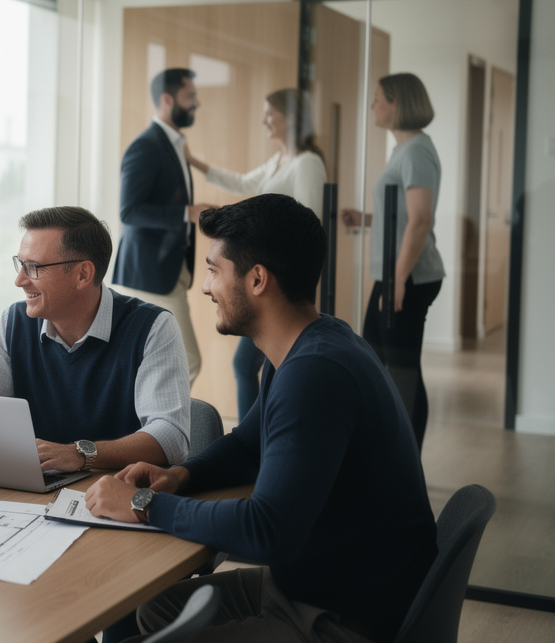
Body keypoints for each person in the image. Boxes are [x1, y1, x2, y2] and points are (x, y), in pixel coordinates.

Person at [85, 194, 436, 643]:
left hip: (342, 618)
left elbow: (266, 530)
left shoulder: (315, 373)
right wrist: (180, 476)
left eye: (214, 270)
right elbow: (248, 446)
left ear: (256, 279)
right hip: (316, 582)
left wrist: (143, 504)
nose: (206, 287)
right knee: (157, 609)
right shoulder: (305, 344)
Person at [0, 206, 190, 473]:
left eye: (33, 267)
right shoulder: (14, 322)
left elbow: (171, 438)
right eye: (21, 264)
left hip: (114, 489)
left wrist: (81, 454)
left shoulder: (152, 327)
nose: (20, 280)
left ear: (83, 274)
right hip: (33, 488)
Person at [187, 88, 328, 420]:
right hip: (265, 274)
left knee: (245, 363)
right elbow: (241, 182)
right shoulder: (280, 161)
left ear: (289, 118)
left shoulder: (308, 163)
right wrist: (193, 161)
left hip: (279, 280)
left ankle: (258, 435)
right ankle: (262, 432)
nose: (264, 120)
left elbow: (308, 223)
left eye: (269, 113)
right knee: (256, 364)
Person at [342, 73, 442, 449]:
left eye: (378, 98)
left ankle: (407, 460)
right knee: (384, 359)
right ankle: (399, 451)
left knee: (401, 369)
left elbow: (421, 219)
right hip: (396, 272)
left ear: (397, 103)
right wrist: (367, 219)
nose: (373, 106)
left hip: (409, 275)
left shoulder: (416, 150)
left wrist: (399, 280)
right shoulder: (404, 149)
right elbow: (402, 215)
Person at [112, 68, 216, 383]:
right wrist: (187, 212)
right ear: (167, 100)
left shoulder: (174, 144)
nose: (197, 102)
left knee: (154, 363)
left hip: (168, 273)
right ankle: (159, 418)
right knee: (188, 362)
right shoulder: (146, 145)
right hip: (148, 275)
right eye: (190, 96)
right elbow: (129, 211)